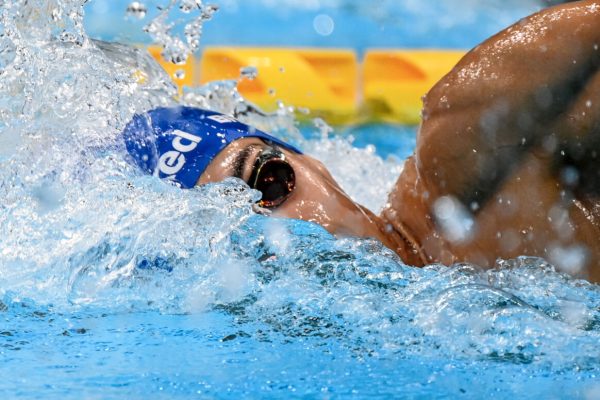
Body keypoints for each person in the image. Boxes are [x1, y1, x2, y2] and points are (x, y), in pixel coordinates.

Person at [124, 0, 600, 282]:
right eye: (236, 238)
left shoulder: (466, 142)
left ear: (312, 163)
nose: (288, 234)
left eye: (270, 183)